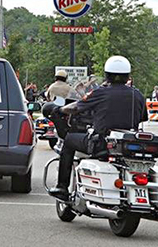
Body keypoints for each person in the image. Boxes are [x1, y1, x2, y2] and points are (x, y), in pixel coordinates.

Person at [47, 56, 148, 201]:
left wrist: (61, 110)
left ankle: (62, 187)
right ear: (127, 76)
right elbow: (143, 117)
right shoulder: (137, 95)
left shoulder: (101, 92)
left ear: (107, 75)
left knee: (69, 140)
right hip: (127, 145)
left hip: (101, 143)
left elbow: (76, 107)